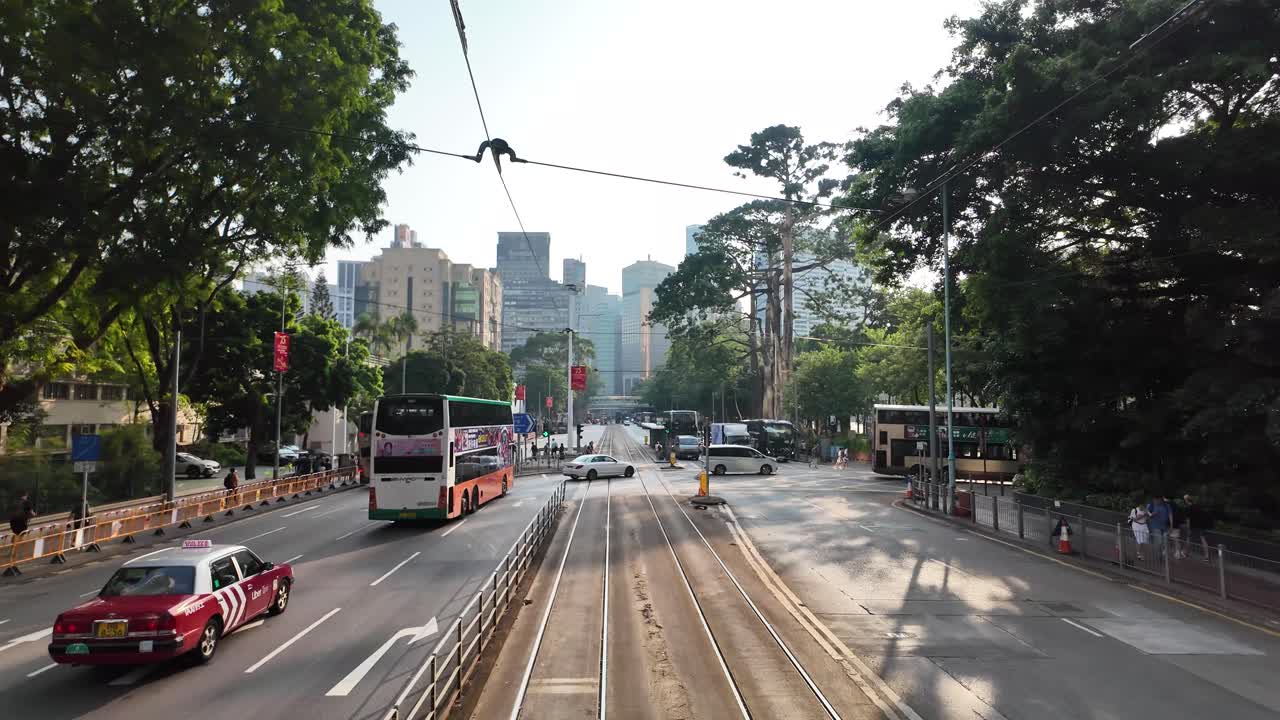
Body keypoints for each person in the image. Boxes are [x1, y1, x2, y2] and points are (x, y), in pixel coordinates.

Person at [1182, 494, 1214, 561]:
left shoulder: (1188, 508)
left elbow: (1188, 520)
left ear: (1186, 501)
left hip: (1193, 526)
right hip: (1201, 525)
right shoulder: (1197, 506)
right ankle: (1206, 556)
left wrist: (1188, 529)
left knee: (1189, 538)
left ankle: (1186, 553)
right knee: (1203, 539)